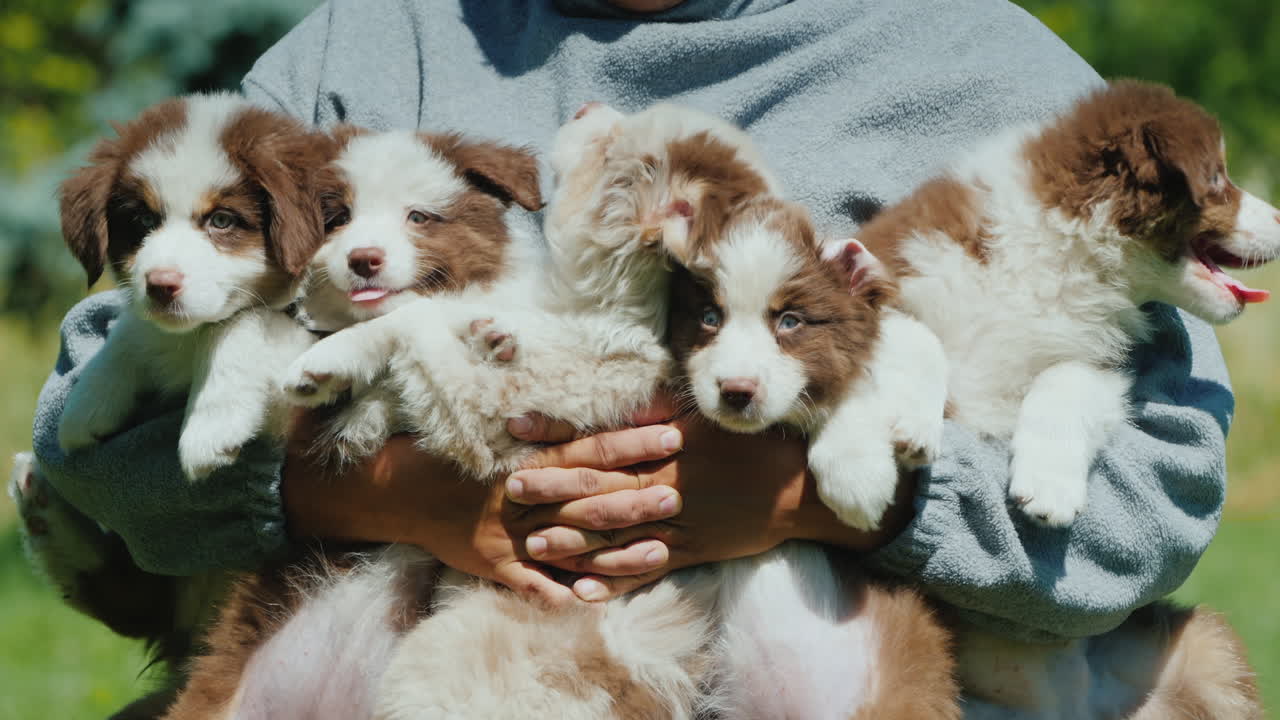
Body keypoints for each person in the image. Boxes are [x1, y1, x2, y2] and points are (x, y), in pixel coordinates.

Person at [32, 0, 1232, 669]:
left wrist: (820, 499)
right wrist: (382, 496)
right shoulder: (371, 43)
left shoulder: (968, 60)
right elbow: (100, 418)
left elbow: (1154, 501)